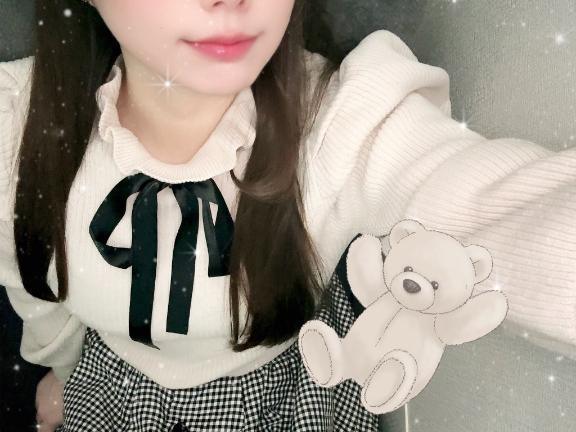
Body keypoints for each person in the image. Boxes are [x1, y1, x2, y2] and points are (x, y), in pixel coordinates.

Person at [1, 0, 575, 430]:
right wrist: (61, 370)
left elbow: (494, 209)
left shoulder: (341, 121)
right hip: (109, 388)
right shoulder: (16, 126)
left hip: (283, 395)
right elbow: (31, 283)